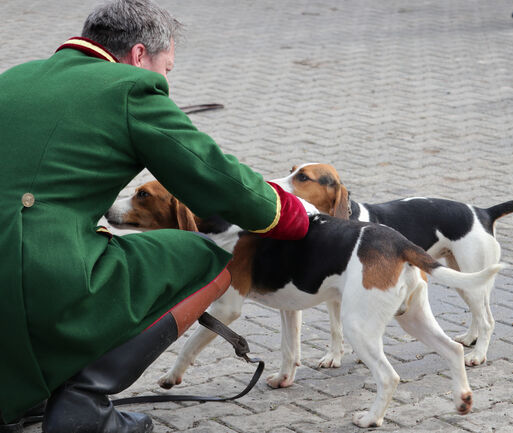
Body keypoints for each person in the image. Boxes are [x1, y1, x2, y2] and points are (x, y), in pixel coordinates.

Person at [0, 1, 309, 432]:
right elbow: (213, 176)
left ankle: (26, 395)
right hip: (36, 276)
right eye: (167, 68)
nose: (165, 81)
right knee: (207, 260)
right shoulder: (131, 87)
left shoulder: (14, 77)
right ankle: (82, 402)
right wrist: (293, 214)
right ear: (140, 55)